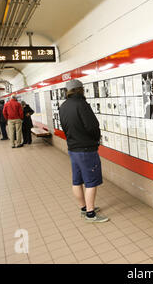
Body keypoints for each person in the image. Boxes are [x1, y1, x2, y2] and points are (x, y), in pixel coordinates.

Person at [59, 79, 109, 223]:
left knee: (77, 180)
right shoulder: (81, 104)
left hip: (73, 149)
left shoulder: (63, 107)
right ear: (80, 89)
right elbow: (92, 126)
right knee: (91, 181)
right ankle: (90, 213)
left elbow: (65, 127)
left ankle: (83, 208)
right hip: (86, 149)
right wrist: (95, 140)